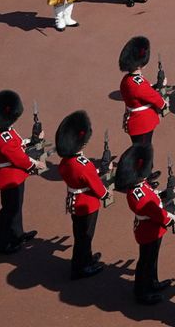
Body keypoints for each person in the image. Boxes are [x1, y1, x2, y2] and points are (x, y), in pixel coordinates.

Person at [113, 146, 175, 306]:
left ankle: (153, 282)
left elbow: (153, 196)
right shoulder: (138, 194)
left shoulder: (140, 186)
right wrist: (171, 218)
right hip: (149, 231)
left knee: (152, 259)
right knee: (146, 261)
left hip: (151, 229)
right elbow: (155, 212)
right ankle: (142, 292)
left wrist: (167, 193)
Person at [53, 110, 107, 279]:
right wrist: (105, 193)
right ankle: (80, 267)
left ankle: (86, 259)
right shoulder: (83, 164)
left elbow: (83, 176)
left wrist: (97, 171)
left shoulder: (66, 162)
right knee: (85, 237)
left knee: (81, 235)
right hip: (87, 203)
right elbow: (97, 186)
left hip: (74, 201)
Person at [0, 89, 34, 255]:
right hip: (10, 177)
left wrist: (32, 141)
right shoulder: (1, 137)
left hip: (16, 176)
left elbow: (18, 145)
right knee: (8, 210)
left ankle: (17, 234)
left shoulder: (6, 132)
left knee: (16, 207)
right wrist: (33, 164)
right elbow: (17, 157)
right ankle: (1, 243)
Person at [118, 35, 167, 150]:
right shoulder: (138, 83)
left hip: (134, 120)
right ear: (140, 64)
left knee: (140, 150)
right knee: (144, 151)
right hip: (143, 123)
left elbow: (145, 92)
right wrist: (164, 104)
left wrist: (157, 85)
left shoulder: (127, 79)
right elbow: (154, 98)